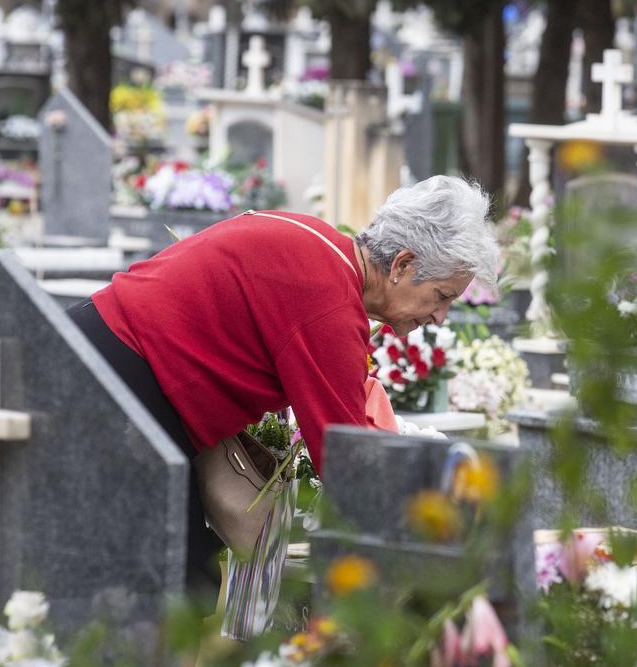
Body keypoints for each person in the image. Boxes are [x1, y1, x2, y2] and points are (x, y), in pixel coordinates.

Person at [68, 175, 499, 597]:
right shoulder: (329, 301)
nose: (439, 317)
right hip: (116, 383)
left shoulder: (321, 245)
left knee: (180, 577)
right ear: (403, 265)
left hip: (104, 363)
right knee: (162, 588)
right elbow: (347, 458)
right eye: (442, 296)